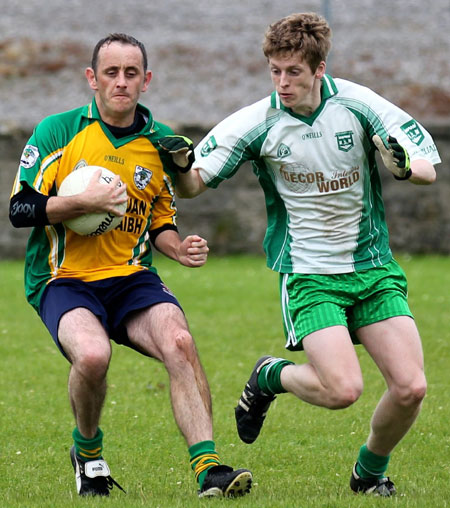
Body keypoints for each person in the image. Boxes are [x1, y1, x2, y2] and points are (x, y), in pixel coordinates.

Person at [171, 12, 441, 497]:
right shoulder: (259, 120)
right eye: (275, 70)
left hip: (372, 267)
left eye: (293, 71)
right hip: (309, 274)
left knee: (411, 388)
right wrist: (178, 164)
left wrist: (403, 165)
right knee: (343, 391)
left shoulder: (358, 105)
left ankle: (369, 474)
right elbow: (193, 185)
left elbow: (425, 167)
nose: (282, 82)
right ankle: (269, 376)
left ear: (320, 69)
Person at [9, 33, 252, 499]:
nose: (121, 82)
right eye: (111, 72)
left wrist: (178, 248)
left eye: (131, 73)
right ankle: (88, 453)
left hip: (131, 276)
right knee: (94, 356)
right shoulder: (57, 131)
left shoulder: (160, 144)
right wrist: (82, 201)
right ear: (92, 78)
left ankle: (210, 469)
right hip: (63, 279)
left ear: (146, 80)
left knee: (179, 341)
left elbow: (159, 218)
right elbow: (20, 209)